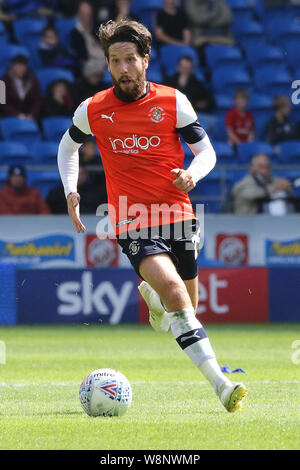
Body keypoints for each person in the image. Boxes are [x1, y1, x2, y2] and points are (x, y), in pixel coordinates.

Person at [58, 19, 247, 412]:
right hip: (130, 218)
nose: (122, 68)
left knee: (184, 309)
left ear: (145, 59)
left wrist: (191, 175)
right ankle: (221, 385)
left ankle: (153, 298)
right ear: (108, 64)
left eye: (129, 59)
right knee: (175, 291)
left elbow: (208, 152)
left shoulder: (173, 101)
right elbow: (67, 148)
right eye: (114, 61)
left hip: (177, 212)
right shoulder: (92, 109)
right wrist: (70, 190)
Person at [1, 55, 42, 120]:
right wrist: (17, 114)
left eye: (23, 66)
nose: (21, 69)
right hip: (9, 117)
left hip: (30, 117)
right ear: (13, 66)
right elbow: (2, 102)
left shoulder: (32, 79)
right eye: (18, 66)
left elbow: (38, 100)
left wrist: (32, 114)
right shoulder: (3, 81)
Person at [70, 1, 106, 69]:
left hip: (107, 61)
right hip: (91, 65)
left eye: (88, 13)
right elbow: (82, 59)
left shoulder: (99, 28)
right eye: (83, 13)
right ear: (78, 14)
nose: (86, 16)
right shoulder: (75, 34)